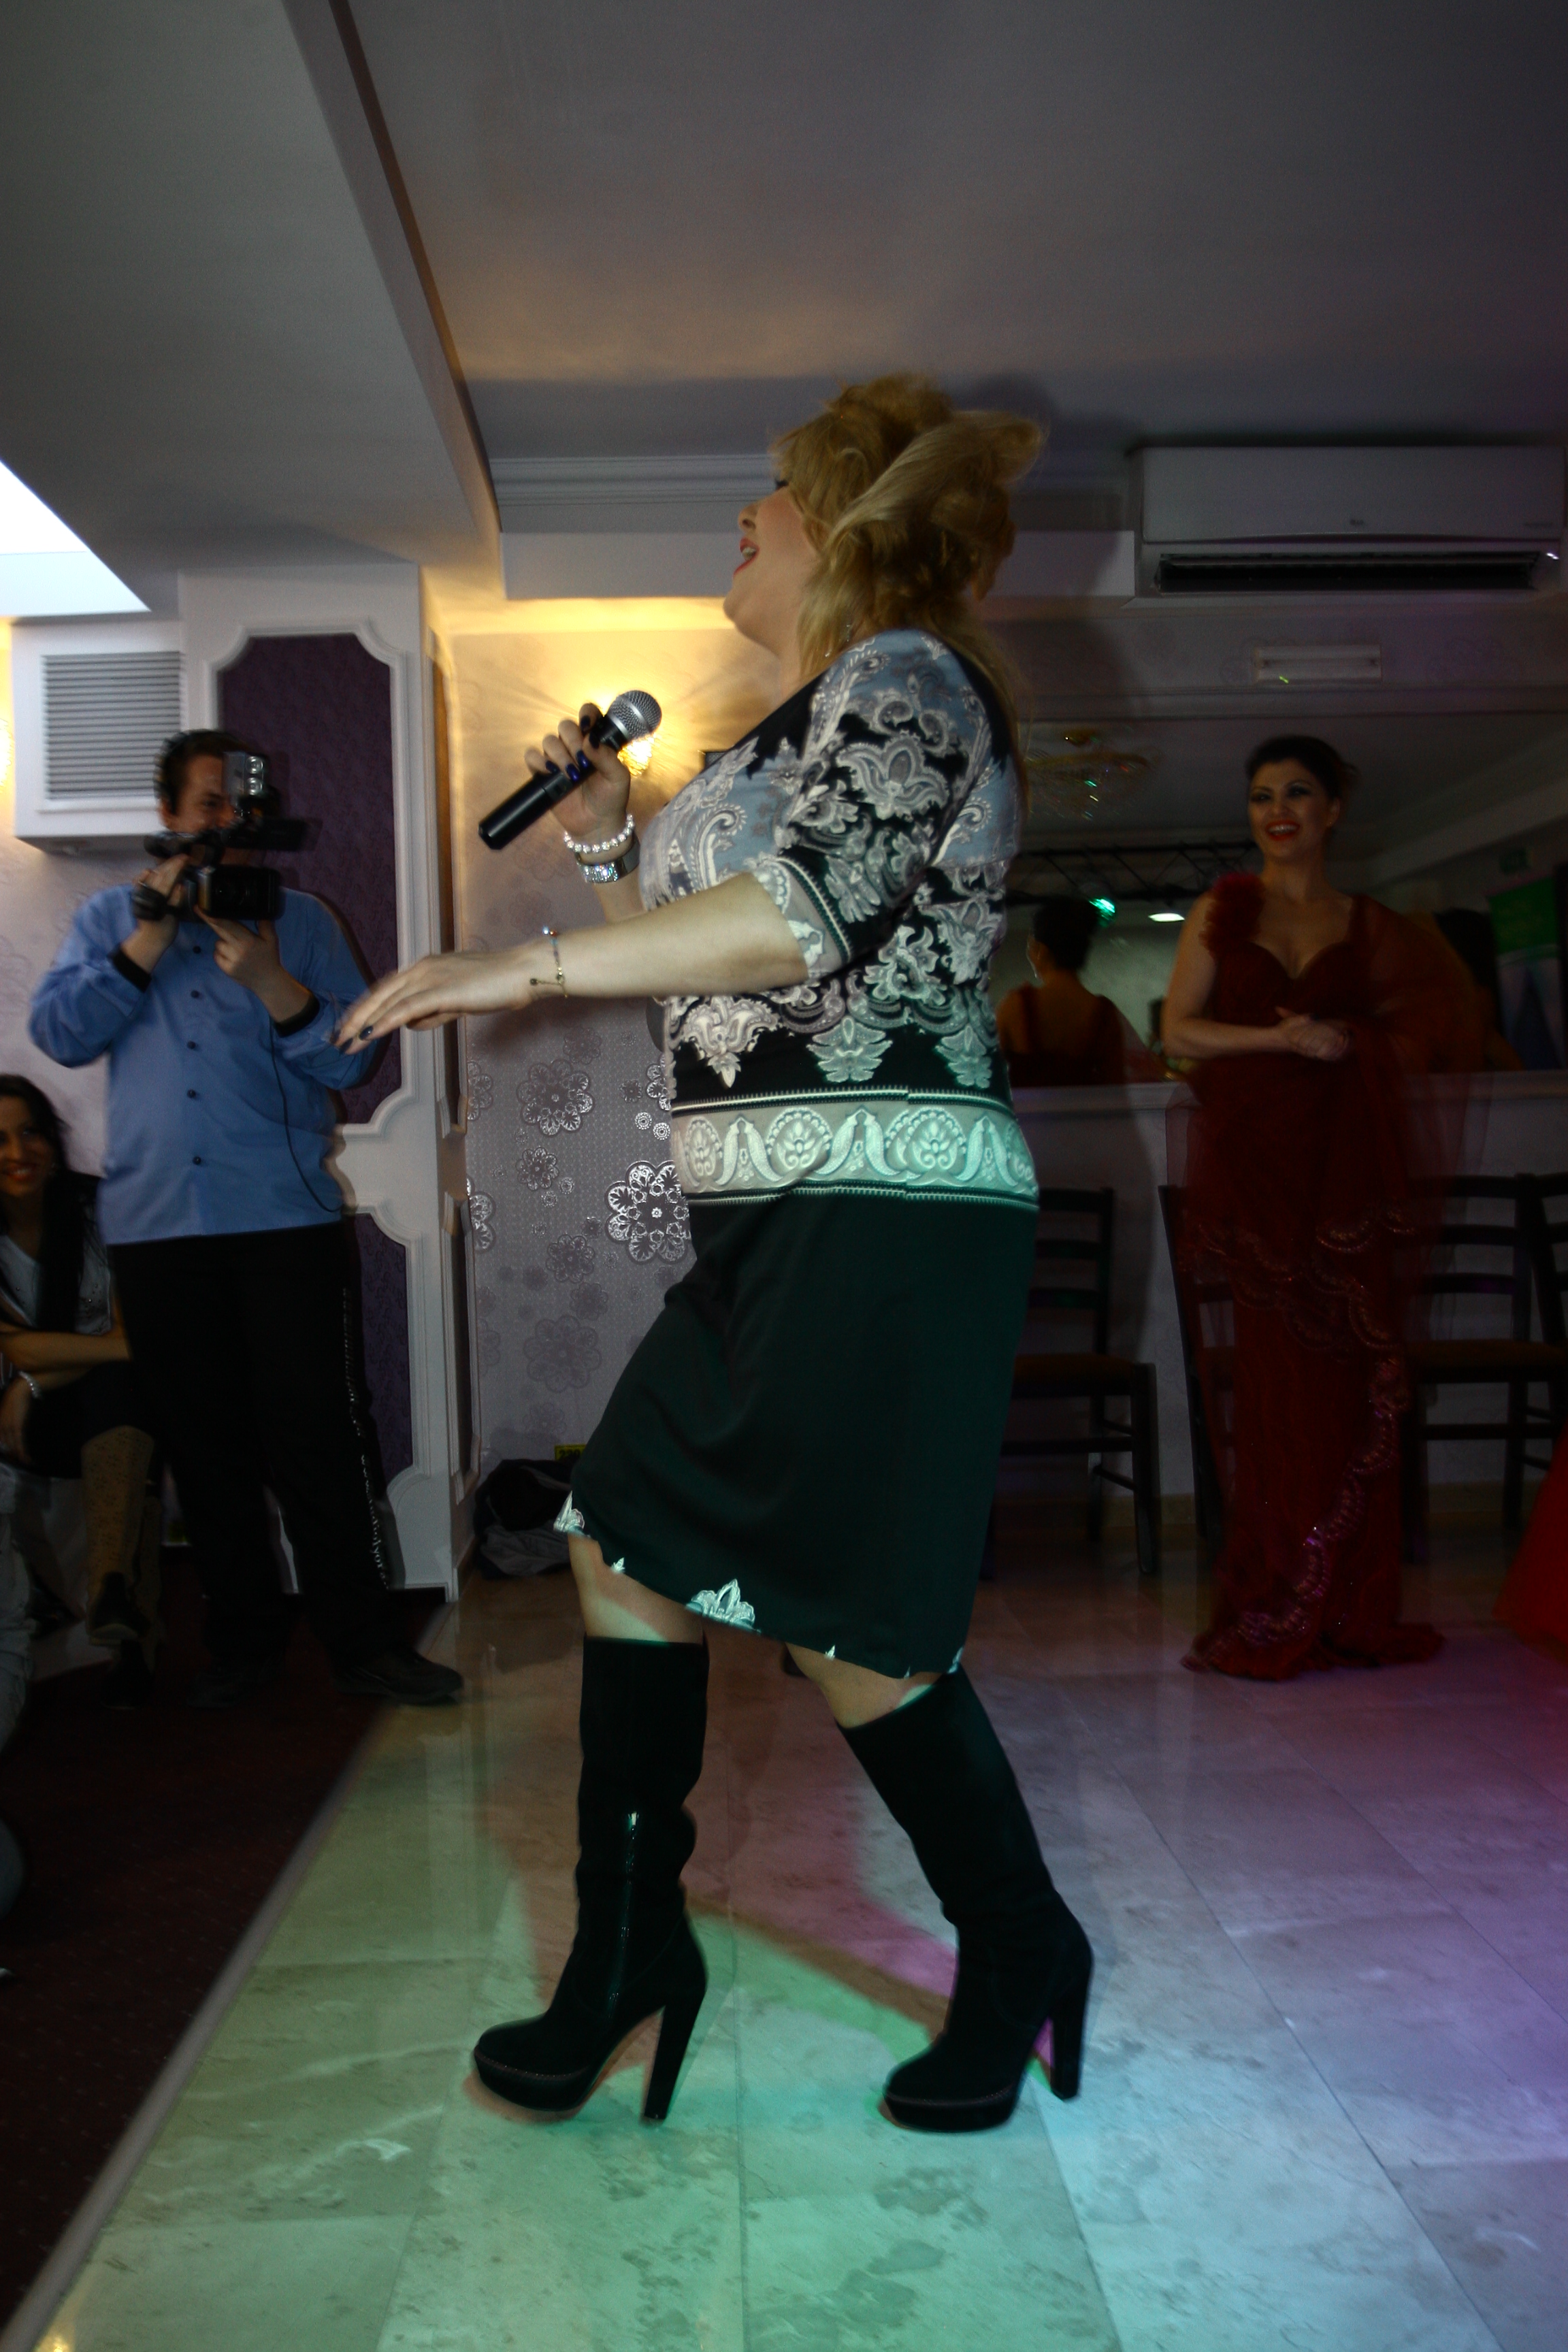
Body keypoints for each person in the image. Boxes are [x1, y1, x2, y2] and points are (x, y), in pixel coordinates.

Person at [344, 375, 1093, 2132]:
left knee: (857, 1630)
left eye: (770, 496)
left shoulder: (909, 676)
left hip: (885, 1217)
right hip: (769, 1220)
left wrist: (509, 969)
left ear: (844, 526)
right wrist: (614, 835)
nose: (741, 518)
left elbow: (802, 920)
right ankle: (630, 1951)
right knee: (618, 1536)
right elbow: (709, 954)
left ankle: (1022, 1945)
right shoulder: (781, 733)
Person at [29, 732, 459, 1710]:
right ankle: (244, 1643)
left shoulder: (301, 921)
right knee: (203, 1445)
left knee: (321, 1437)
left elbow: (354, 1059)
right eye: (209, 803)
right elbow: (59, 1034)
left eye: (240, 804)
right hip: (155, 1232)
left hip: (282, 1224)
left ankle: (365, 1643)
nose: (227, 820)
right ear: (170, 815)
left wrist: (272, 982)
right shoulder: (106, 918)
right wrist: (143, 945)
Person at [1162, 735, 1470, 1680]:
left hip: (1345, 1179)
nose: (1277, 811)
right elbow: (1179, 1033)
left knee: (1350, 1382)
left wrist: (1349, 1041)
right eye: (1262, 796)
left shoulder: (1368, 923)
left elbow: (1431, 1029)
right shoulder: (1223, 909)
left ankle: (1349, 1601)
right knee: (1278, 1388)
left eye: (1297, 793)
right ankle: (1277, 1597)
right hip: (1258, 1176)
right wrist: (1285, 1041)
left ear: (1333, 810)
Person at [0, 1077, 161, 1707]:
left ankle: (114, 1597)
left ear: (52, 1139)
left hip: (109, 1405)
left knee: (123, 1392)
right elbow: (21, 1349)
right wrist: (28, 1379)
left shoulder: (100, 1207)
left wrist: (36, 1374)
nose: (18, 1152)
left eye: (30, 1132)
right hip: (20, 1425)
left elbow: (132, 1334)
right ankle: (104, 1605)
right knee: (121, 1375)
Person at [997, 898, 1160, 1085]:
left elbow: (986, 1081)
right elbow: (1116, 1089)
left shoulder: (1015, 1007)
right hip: (1092, 1106)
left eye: (1030, 946)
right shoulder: (1105, 1016)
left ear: (1041, 951)